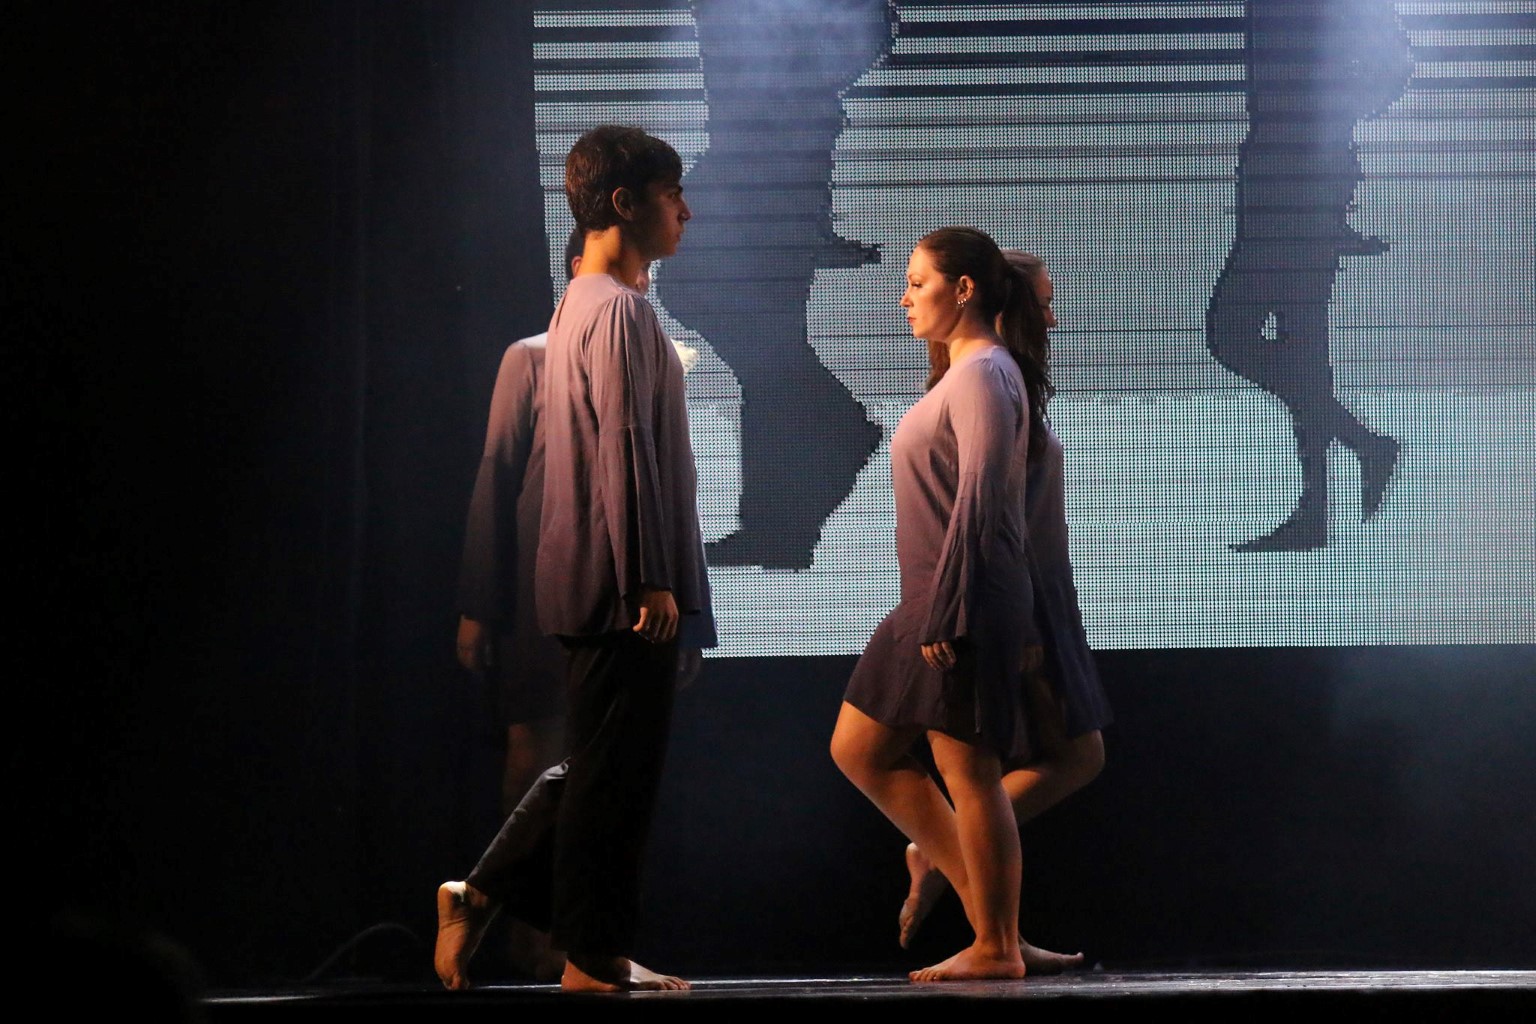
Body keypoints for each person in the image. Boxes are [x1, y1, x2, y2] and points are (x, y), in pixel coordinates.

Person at [435, 124, 716, 994]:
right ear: (625, 203)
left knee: (604, 766)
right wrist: (649, 579)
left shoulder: (580, 307)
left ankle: (500, 902)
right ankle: (587, 954)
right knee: (613, 778)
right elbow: (623, 448)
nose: (685, 211)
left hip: (597, 578)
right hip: (618, 584)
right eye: (672, 194)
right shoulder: (618, 310)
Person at [830, 225, 1046, 982]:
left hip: (958, 599)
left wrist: (951, 608)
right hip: (930, 597)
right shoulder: (967, 372)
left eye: (918, 283)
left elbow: (983, 496)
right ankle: (995, 926)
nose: (905, 298)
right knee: (860, 749)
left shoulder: (984, 371)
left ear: (964, 289)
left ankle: (998, 945)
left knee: (969, 770)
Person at [895, 251, 1114, 971]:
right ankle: (987, 924)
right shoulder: (984, 378)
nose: (1052, 317)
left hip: (1033, 589)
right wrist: (994, 613)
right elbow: (984, 506)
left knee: (1075, 753)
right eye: (1042, 302)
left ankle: (970, 898)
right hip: (1005, 592)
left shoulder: (997, 377)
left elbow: (1010, 509)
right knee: (975, 762)